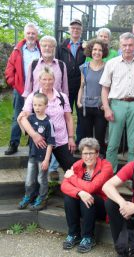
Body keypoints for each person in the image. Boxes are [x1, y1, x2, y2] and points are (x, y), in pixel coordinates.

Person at [100, 32, 134, 173]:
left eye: (130, 45)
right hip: (117, 105)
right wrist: (106, 108)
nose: (127, 48)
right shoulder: (111, 64)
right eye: (124, 45)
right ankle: (110, 174)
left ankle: (131, 175)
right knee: (112, 143)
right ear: (120, 46)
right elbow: (105, 88)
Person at [23, 35, 69, 181]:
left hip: (56, 106)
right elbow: (28, 88)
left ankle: (53, 168)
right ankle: (39, 178)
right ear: (40, 48)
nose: (47, 48)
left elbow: (65, 89)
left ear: (54, 48)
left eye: (50, 46)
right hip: (38, 111)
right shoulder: (34, 64)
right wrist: (28, 108)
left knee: (57, 136)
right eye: (45, 46)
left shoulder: (61, 65)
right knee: (41, 145)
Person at [18, 66, 77, 172]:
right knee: (39, 174)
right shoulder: (33, 97)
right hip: (41, 141)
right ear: (39, 80)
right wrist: (34, 135)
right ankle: (40, 189)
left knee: (71, 169)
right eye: (44, 79)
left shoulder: (62, 97)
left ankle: (76, 188)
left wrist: (71, 137)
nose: (47, 82)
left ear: (54, 80)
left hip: (61, 139)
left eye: (50, 79)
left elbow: (68, 118)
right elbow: (22, 118)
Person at [61, 137, 113, 253]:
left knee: (89, 197)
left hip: (102, 206)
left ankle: (88, 237)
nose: (88, 157)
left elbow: (92, 187)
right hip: (82, 204)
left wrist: (72, 177)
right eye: (85, 153)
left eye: (91, 153)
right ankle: (74, 234)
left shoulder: (106, 166)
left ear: (97, 153)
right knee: (69, 197)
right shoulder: (78, 165)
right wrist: (79, 192)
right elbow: (64, 186)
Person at [4, 23, 40, 155]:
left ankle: (33, 144)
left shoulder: (40, 50)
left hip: (37, 90)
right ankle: (14, 143)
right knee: (17, 116)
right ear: (25, 34)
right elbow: (9, 70)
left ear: (37, 35)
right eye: (29, 33)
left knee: (37, 116)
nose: (31, 35)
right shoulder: (17, 50)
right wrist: (14, 83)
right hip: (20, 90)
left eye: (33, 33)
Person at [17, 93, 55, 211]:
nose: (37, 108)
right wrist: (19, 121)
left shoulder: (49, 122)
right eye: (35, 105)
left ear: (46, 106)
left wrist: (47, 160)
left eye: (40, 105)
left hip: (43, 158)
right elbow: (25, 133)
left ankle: (42, 199)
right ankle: (28, 196)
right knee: (29, 179)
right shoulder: (31, 119)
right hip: (32, 156)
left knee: (41, 179)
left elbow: (51, 143)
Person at [56, 19, 86, 146]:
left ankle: (80, 142)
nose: (75, 30)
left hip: (81, 86)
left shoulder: (85, 46)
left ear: (81, 31)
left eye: (78, 28)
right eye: (73, 28)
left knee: (81, 115)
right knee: (64, 114)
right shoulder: (61, 46)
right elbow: (57, 64)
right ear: (69, 30)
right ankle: (64, 141)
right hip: (65, 87)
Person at [77, 39, 109, 158]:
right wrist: (79, 102)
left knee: (100, 137)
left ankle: (100, 161)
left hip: (100, 107)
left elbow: (109, 88)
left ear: (103, 52)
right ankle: (88, 160)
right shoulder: (84, 67)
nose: (97, 52)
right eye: (95, 49)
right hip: (86, 107)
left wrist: (106, 104)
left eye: (100, 50)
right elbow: (81, 86)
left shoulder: (107, 67)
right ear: (90, 51)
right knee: (87, 138)